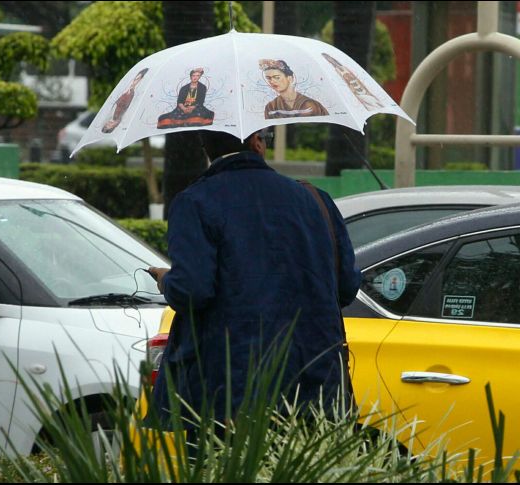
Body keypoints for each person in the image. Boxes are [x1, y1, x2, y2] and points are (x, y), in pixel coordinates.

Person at [147, 128, 361, 430]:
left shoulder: (194, 202)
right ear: (256, 142)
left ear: (205, 145)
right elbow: (346, 287)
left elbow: (191, 291)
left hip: (228, 392)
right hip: (313, 384)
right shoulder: (315, 200)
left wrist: (166, 281)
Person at [260, 59, 329, 119]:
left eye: (277, 77)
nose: (272, 81)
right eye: (268, 78)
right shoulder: (271, 107)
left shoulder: (311, 104)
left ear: (290, 78)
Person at [102, 68, 149, 133]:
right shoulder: (120, 119)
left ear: (141, 80)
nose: (134, 81)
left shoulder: (135, 94)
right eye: (109, 125)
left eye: (137, 79)